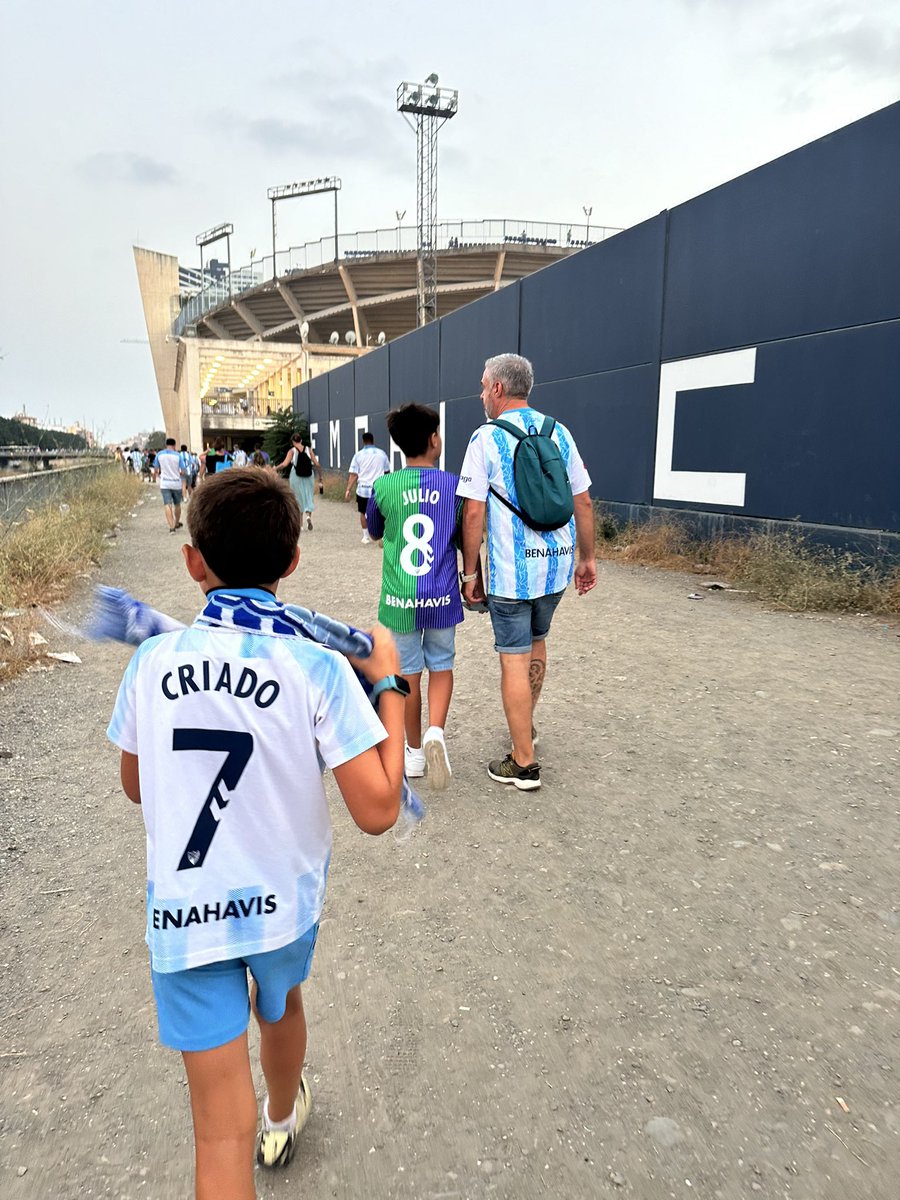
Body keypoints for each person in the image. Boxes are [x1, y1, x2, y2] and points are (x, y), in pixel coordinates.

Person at [106, 468, 406, 1199]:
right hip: (280, 907)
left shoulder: (151, 661)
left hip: (184, 920)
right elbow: (378, 809)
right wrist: (391, 687)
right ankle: (281, 1112)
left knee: (216, 1136)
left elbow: (137, 783)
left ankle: (254, 1124)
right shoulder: (316, 666)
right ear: (293, 559)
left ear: (193, 560)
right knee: (282, 1006)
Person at [457, 353, 597, 791]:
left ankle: (523, 761)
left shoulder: (485, 438)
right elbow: (584, 501)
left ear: (498, 388)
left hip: (510, 573)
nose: (481, 393)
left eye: (483, 386)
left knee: (512, 658)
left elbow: (474, 512)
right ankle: (526, 729)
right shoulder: (560, 432)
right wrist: (587, 560)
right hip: (554, 567)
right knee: (537, 645)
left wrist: (469, 572)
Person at [367, 404, 477, 789]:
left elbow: (376, 531)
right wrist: (470, 578)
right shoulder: (456, 487)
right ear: (434, 440)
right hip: (443, 594)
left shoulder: (383, 486)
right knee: (442, 664)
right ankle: (435, 733)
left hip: (399, 600)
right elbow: (466, 538)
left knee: (408, 675)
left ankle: (413, 754)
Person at [345, 432, 390, 544]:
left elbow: (354, 474)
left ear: (363, 441)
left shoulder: (358, 455)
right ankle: (383, 535)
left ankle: (365, 537)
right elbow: (387, 472)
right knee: (382, 512)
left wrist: (348, 489)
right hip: (379, 489)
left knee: (363, 512)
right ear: (373, 440)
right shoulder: (382, 454)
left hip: (363, 489)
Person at [278, 433, 321, 532]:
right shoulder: (308, 449)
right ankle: (308, 516)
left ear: (293, 442)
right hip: (309, 476)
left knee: (298, 499)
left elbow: (285, 464)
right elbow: (317, 464)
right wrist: (320, 478)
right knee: (308, 496)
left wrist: (275, 468)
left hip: (296, 476)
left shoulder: (292, 451)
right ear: (301, 440)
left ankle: (300, 526)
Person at [152, 437, 185, 533]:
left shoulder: (159, 455)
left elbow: (156, 470)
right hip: (176, 483)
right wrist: (178, 474)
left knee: (167, 504)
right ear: (174, 445)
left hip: (165, 483)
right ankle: (177, 522)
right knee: (177, 504)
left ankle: (171, 527)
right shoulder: (178, 456)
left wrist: (159, 475)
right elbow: (182, 471)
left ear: (166, 445)